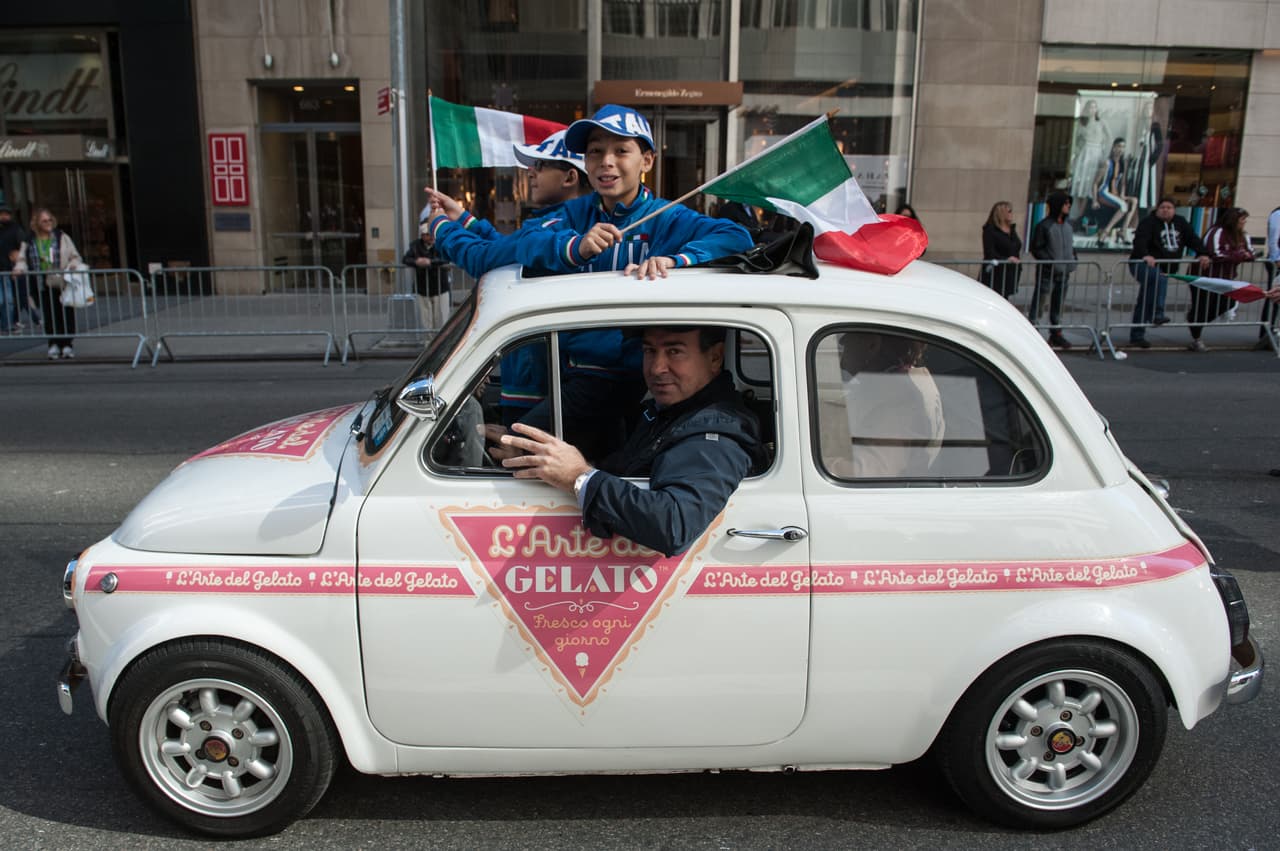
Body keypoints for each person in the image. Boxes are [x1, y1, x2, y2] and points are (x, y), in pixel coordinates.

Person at [494, 325, 767, 558]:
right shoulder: (667, 413)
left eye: (674, 352)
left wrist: (578, 477)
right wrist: (545, 458)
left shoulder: (714, 432)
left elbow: (675, 524)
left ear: (715, 357)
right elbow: (623, 469)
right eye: (649, 351)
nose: (657, 368)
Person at [423, 129, 591, 430]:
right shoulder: (568, 225)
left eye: (540, 166)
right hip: (543, 378)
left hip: (536, 384)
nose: (530, 173)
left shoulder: (553, 229)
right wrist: (464, 218)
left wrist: (440, 229)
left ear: (569, 178)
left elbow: (485, 258)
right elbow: (509, 251)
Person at [513, 104, 752, 280]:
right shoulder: (573, 213)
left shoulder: (668, 217)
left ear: (647, 161)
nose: (606, 161)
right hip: (568, 348)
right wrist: (576, 247)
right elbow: (524, 242)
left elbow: (737, 237)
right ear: (585, 162)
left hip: (640, 349)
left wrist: (673, 261)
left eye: (621, 150)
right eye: (596, 151)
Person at [823, 332, 944, 479]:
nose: (842, 363)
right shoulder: (912, 383)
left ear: (872, 345)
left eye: (848, 346)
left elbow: (869, 472)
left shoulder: (899, 402)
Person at [1127, 197, 1210, 348]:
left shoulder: (1181, 222)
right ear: (1157, 209)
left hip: (1165, 267)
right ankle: (1157, 313)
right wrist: (1145, 254)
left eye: (1169, 207)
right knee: (1158, 278)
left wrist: (1203, 253)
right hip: (1142, 264)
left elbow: (1193, 239)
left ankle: (1137, 335)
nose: (1165, 210)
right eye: (1162, 207)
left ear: (1174, 210)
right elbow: (1140, 240)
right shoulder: (1148, 222)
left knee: (1145, 299)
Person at [13, 208, 84, 359]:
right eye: (44, 221)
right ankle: (53, 343)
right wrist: (18, 269)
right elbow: (22, 259)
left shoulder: (61, 237)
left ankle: (67, 344)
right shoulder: (30, 240)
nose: (48, 223)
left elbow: (75, 256)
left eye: (50, 220)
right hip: (42, 281)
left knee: (66, 313)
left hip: (62, 280)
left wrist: (73, 264)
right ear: (37, 223)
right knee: (50, 314)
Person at [1186, 207, 1255, 352]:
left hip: (1227, 278)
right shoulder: (1217, 231)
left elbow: (1251, 253)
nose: (1244, 223)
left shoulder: (1243, 235)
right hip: (1205, 277)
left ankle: (1196, 321)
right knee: (1202, 306)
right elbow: (1215, 253)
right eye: (1242, 220)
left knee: (1228, 302)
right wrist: (1238, 255)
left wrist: (1240, 255)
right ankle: (1196, 338)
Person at [1028, 191, 1078, 349]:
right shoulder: (1044, 225)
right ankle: (1032, 332)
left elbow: (1070, 246)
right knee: (1040, 303)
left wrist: (1073, 258)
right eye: (1065, 203)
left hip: (1064, 273)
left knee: (1059, 304)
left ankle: (1056, 333)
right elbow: (1036, 248)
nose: (1068, 206)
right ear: (1058, 205)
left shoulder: (1068, 227)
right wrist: (1050, 262)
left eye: (1069, 203)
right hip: (1048, 273)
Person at [1069, 100, 1111, 227]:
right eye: (1090, 107)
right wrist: (1077, 153)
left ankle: (1083, 216)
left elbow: (1109, 138)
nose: (1092, 109)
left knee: (1091, 184)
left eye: (1094, 107)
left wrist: (1104, 155)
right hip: (1085, 154)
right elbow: (1075, 140)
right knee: (1080, 185)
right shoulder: (1082, 123)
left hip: (1096, 154)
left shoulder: (1102, 123)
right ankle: (1076, 216)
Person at [401, 221, 451, 329]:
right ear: (422, 236)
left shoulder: (441, 244)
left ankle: (441, 343)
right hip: (422, 287)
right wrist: (416, 262)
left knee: (441, 320)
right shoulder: (415, 246)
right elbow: (405, 259)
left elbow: (446, 258)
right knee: (426, 321)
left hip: (440, 287)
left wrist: (430, 262)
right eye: (428, 234)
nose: (431, 237)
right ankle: (428, 343)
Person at [1091, 138, 1138, 247]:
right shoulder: (1107, 163)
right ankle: (1106, 231)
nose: (1120, 149)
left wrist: (1122, 194)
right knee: (1123, 206)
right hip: (1104, 192)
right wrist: (1094, 200)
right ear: (1113, 147)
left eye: (1123, 147)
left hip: (1115, 193)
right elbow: (1095, 183)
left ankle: (1123, 230)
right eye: (1118, 146)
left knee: (1134, 201)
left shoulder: (1122, 163)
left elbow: (1123, 182)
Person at [979, 201, 1022, 299]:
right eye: (1009, 211)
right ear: (1001, 213)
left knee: (1005, 299)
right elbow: (989, 252)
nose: (1011, 214)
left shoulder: (1012, 229)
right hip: (996, 272)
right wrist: (1007, 259)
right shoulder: (990, 230)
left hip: (1010, 272)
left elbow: (1016, 246)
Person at [1259, 204, 1280, 349]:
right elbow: (1274, 238)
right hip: (1277, 262)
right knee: (1274, 297)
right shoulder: (1278, 214)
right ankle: (1267, 334)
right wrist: (1277, 260)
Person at [0, 206, 23, 333]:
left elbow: (22, 247)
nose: (4, 217)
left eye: (6, 214)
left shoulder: (15, 229)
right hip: (5, 268)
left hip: (8, 268)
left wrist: (18, 264)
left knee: (8, 300)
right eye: (1, 214)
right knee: (3, 300)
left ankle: (7, 324)